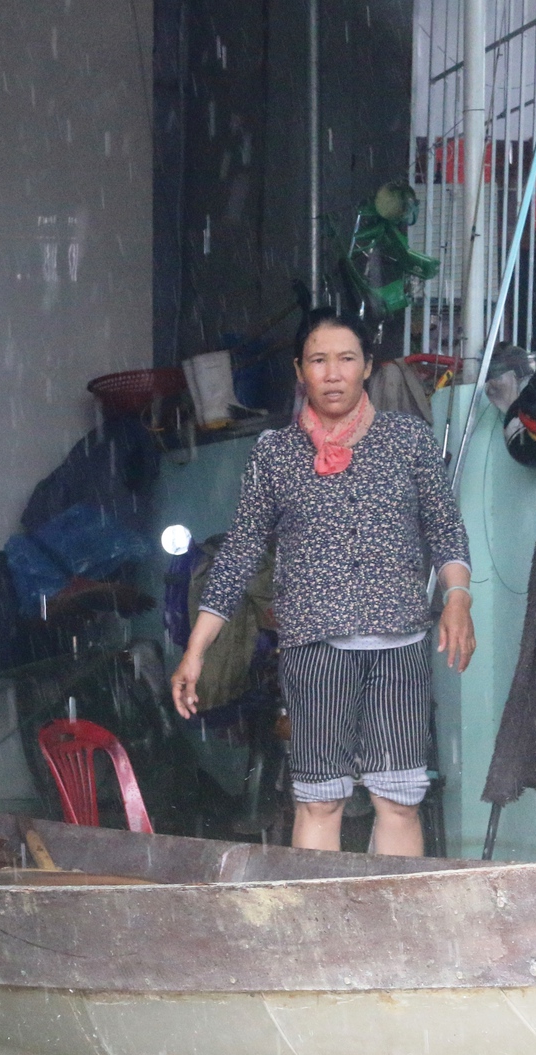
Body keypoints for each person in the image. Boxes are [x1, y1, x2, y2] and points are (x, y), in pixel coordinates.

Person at [171, 311, 474, 856]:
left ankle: (396, 930)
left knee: (400, 799)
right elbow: (240, 554)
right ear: (299, 372)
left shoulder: (408, 439)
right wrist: (196, 650)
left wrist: (457, 598)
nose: (332, 373)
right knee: (318, 800)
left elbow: (447, 531)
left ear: (367, 368)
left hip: (400, 646)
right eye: (318, 360)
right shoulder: (276, 455)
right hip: (314, 651)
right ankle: (313, 931)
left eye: (346, 358)